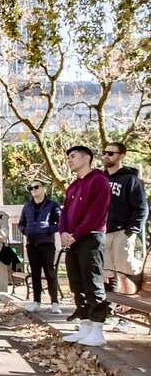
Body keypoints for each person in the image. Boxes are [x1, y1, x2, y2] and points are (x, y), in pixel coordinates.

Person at [59, 145, 111, 347]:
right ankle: (85, 325)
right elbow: (64, 213)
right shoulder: (72, 186)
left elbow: (96, 213)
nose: (69, 160)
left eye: (72, 156)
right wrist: (63, 232)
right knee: (76, 283)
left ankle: (98, 329)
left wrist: (76, 233)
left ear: (86, 157)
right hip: (72, 240)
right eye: (68, 157)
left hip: (91, 237)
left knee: (92, 282)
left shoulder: (99, 180)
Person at [102, 142, 149, 333]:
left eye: (110, 153)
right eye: (104, 152)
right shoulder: (100, 179)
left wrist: (132, 231)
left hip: (123, 230)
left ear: (121, 155)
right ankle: (107, 312)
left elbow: (141, 208)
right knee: (106, 273)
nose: (106, 155)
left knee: (124, 273)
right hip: (104, 231)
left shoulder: (130, 180)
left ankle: (126, 318)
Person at [18, 180, 61, 314]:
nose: (33, 190)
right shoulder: (27, 206)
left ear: (43, 188)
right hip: (31, 244)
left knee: (49, 273)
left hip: (47, 244)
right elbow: (21, 224)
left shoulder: (53, 205)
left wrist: (48, 229)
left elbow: (61, 222)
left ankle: (55, 302)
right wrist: (26, 231)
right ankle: (36, 301)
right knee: (35, 274)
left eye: (36, 187)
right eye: (31, 188)